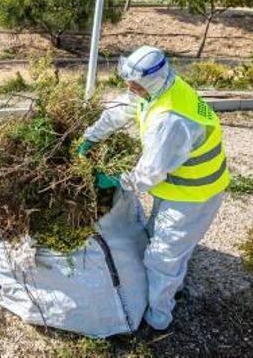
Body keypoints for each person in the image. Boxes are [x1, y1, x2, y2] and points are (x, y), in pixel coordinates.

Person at [77, 45, 229, 331]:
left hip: (196, 195)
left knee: (164, 256)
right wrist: (90, 138)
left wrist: (114, 179)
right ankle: (165, 286)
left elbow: (148, 176)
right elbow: (122, 109)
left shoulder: (170, 120)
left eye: (135, 84)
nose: (130, 87)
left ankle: (158, 317)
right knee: (157, 238)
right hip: (178, 187)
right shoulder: (158, 89)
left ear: (151, 82)